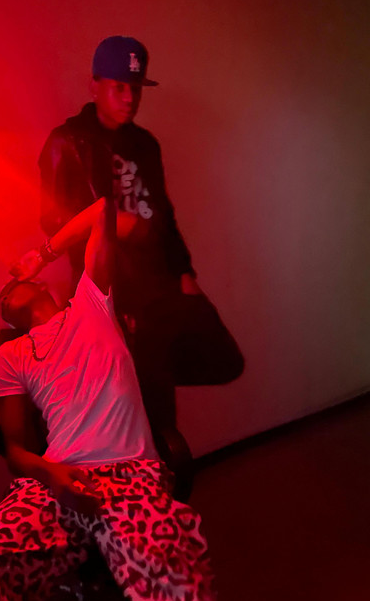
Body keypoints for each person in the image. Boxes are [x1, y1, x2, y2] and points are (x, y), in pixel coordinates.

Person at [0, 198, 218, 601]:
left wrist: (41, 255)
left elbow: (103, 209)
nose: (7, 294)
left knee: (177, 592)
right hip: (53, 483)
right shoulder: (9, 356)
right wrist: (50, 474)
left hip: (131, 477)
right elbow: (15, 450)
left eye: (14, 287)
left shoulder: (91, 305)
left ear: (42, 287)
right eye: (3, 298)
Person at [28, 35, 243, 431]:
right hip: (109, 289)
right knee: (133, 406)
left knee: (217, 361)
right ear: (94, 86)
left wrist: (184, 271)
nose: (129, 98)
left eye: (136, 89)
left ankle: (159, 458)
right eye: (119, 88)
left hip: (159, 286)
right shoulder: (67, 142)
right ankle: (146, 461)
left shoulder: (145, 144)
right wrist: (110, 224)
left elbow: (163, 215)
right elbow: (53, 221)